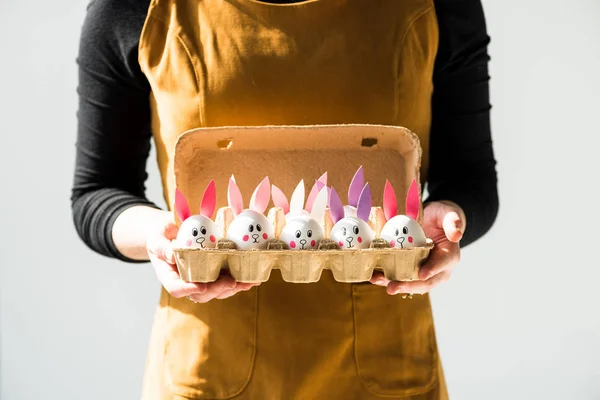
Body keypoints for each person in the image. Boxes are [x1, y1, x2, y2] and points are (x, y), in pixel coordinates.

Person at [71, 0, 498, 398]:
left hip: (386, 362)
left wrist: (449, 219)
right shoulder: (133, 8)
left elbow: (471, 181)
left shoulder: (439, 5)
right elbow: (97, 193)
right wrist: (158, 236)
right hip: (210, 364)